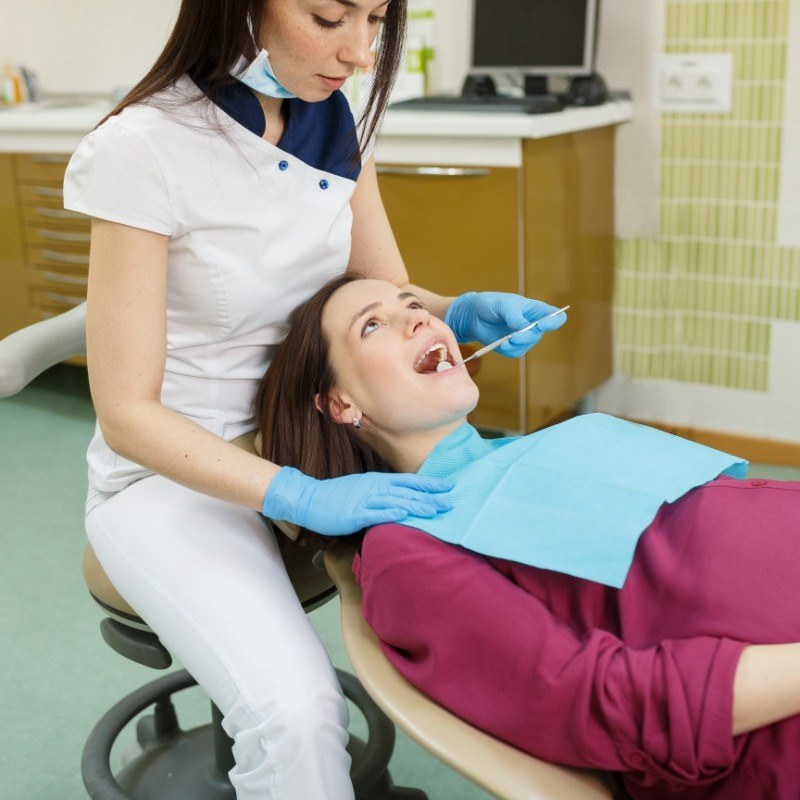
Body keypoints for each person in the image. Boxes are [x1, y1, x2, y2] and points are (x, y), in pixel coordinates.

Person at [61, 2, 567, 797]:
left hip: (312, 436)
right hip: (174, 476)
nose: (361, 52)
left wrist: (456, 311)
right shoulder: (144, 148)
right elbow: (128, 417)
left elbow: (382, 291)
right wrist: (296, 493)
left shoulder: (328, 119)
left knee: (544, 555)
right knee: (296, 716)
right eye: (330, 16)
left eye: (373, 17)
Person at [255, 272, 800, 800]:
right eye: (372, 325)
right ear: (341, 404)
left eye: (413, 305)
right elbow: (601, 704)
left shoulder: (539, 446)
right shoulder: (405, 549)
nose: (419, 320)